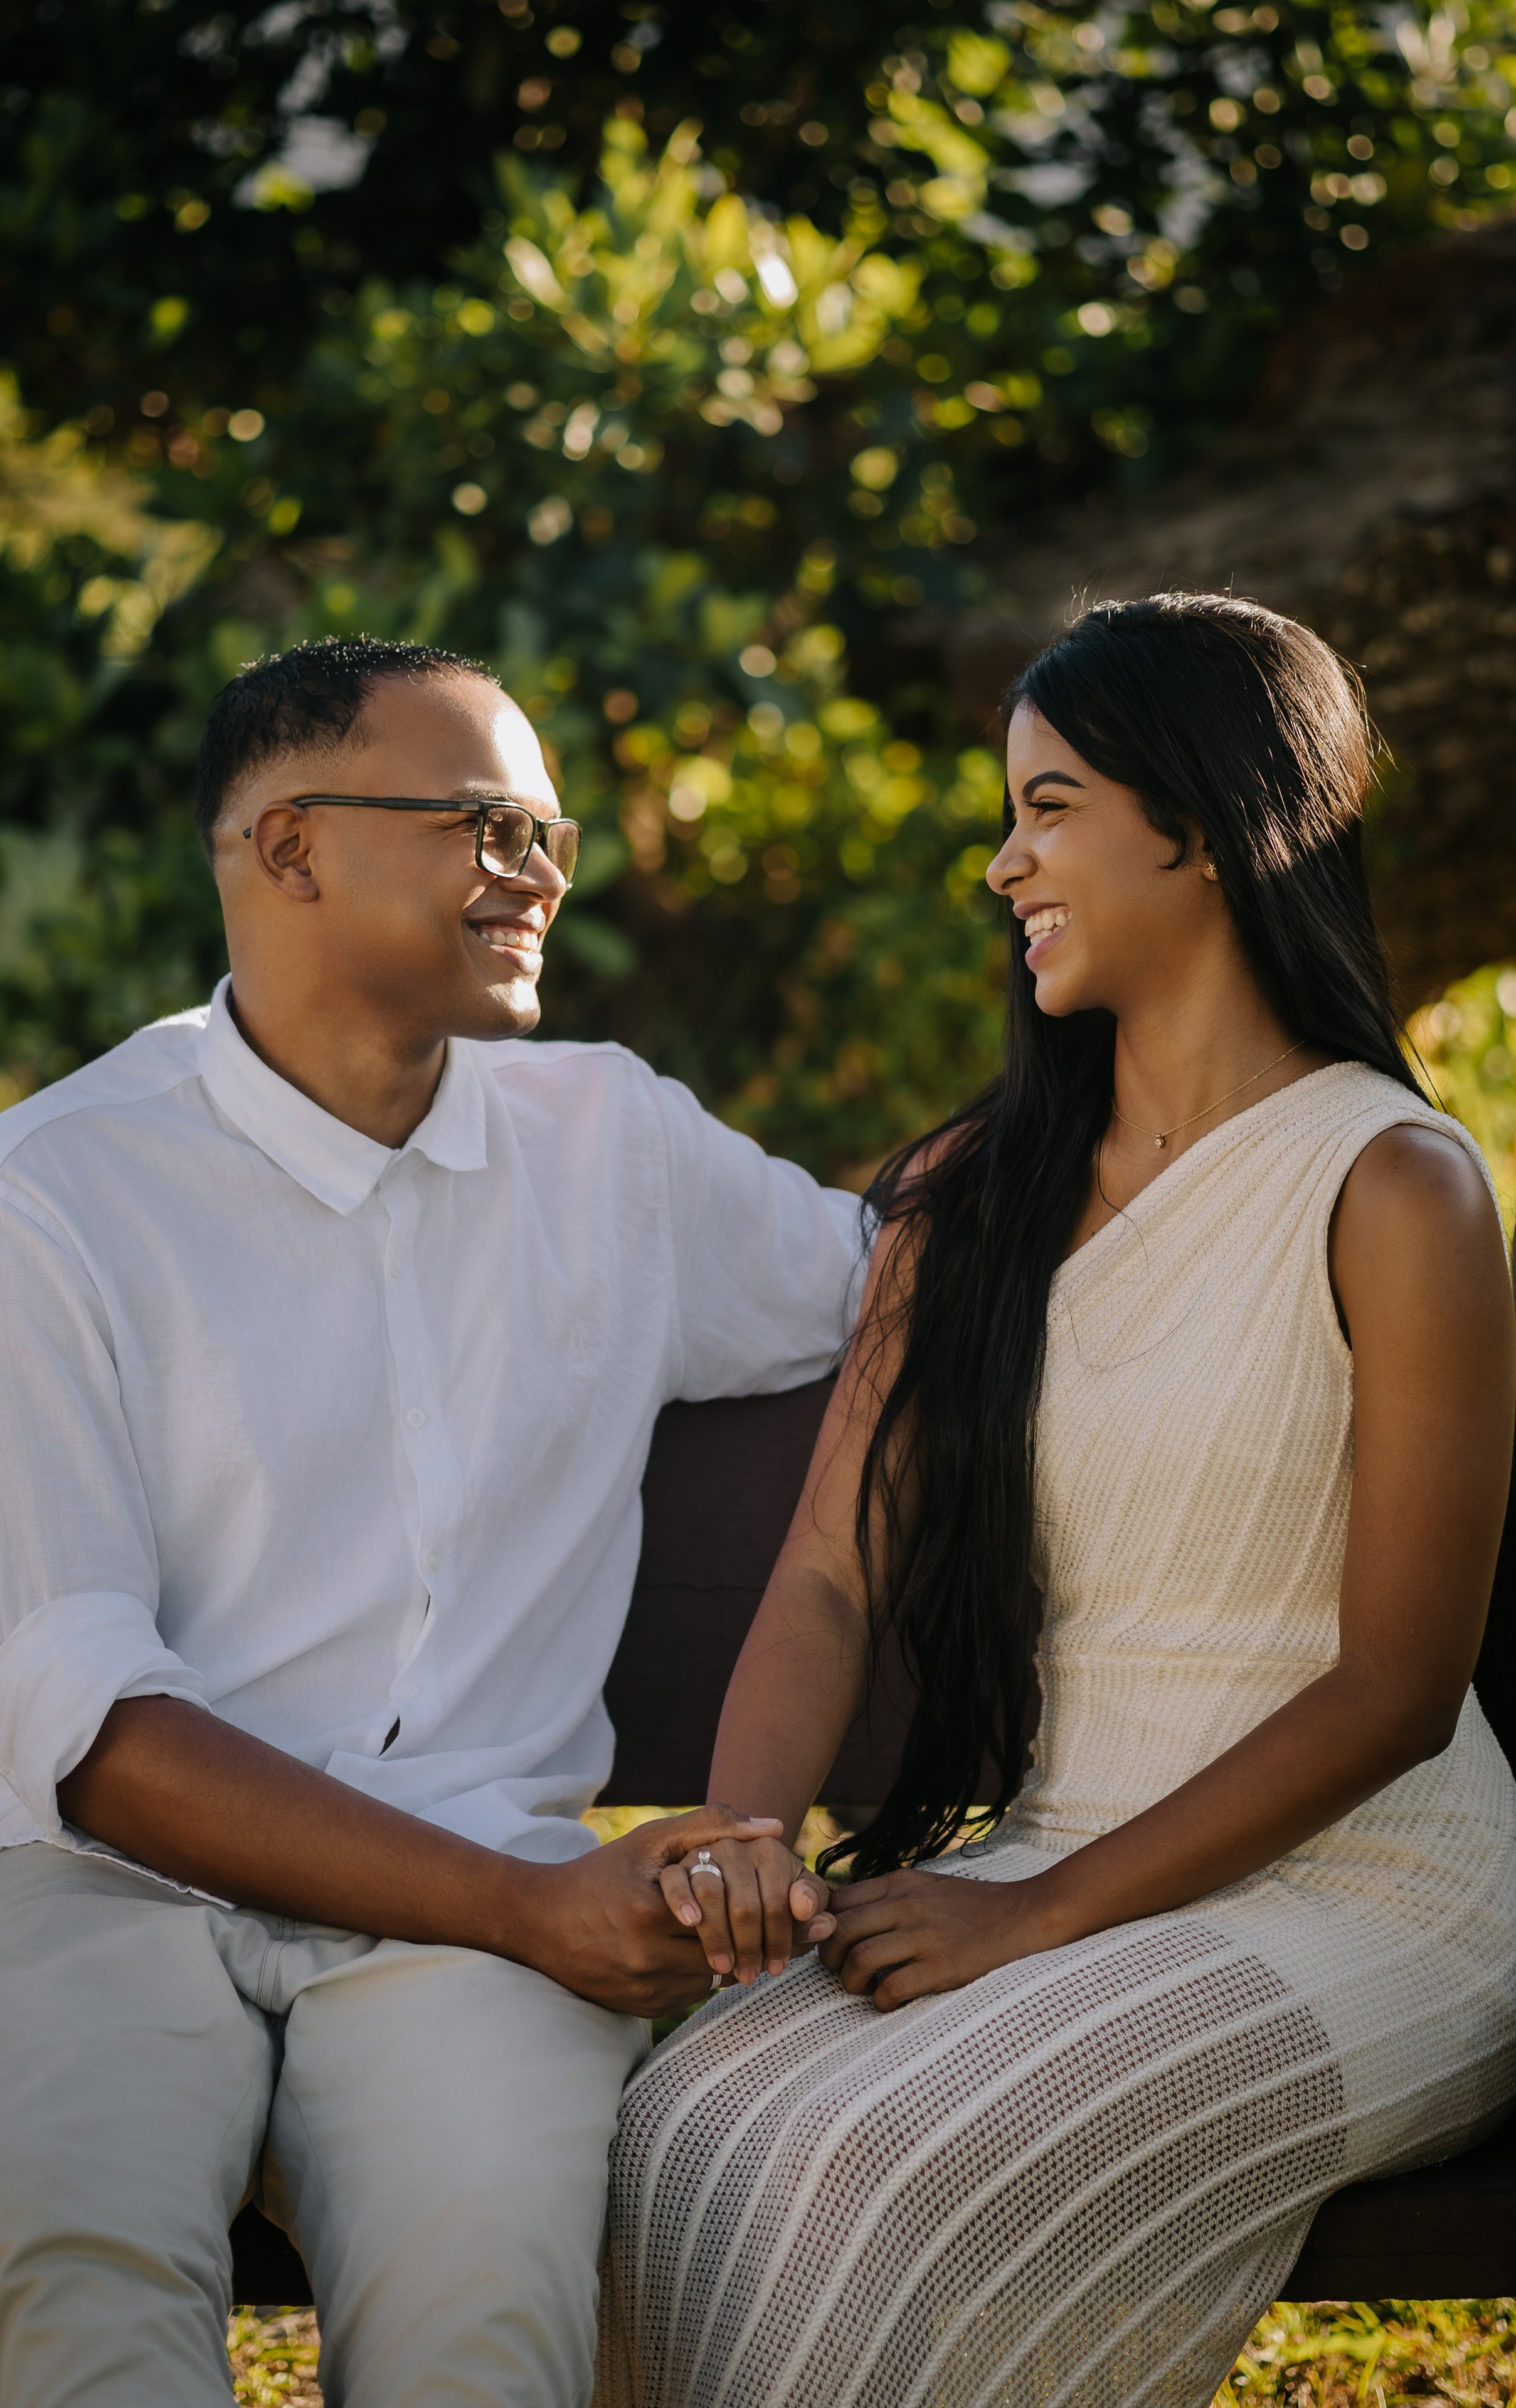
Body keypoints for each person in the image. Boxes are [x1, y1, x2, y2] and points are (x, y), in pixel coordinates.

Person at [0, 636, 864, 2408]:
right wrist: (529, 1906)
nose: (543, 871)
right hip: (95, 1891)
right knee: (79, 2305)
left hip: (468, 1927)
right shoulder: (51, 1190)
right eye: (488, 822)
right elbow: (97, 1743)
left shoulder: (615, 1146)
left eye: (551, 831)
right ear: (289, 850)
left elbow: (895, 1288)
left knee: (487, 2334)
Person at [598, 594, 1516, 2408]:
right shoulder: (971, 1195)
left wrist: (1035, 1918)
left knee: (882, 2163)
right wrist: (744, 1848)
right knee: (688, 2119)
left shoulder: (1395, 1186)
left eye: (1050, 806)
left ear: (1196, 821)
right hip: (1058, 1857)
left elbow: (1400, 1691)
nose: (1002, 859)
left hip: (1374, 1894)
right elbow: (831, 1581)